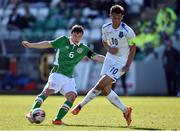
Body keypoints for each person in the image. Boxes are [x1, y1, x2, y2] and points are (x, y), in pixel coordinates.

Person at [22, 25, 104, 125]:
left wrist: (111, 61)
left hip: (69, 78)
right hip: (57, 74)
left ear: (82, 36)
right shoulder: (63, 40)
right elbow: (48, 44)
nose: (76, 38)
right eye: (74, 36)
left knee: (72, 97)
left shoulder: (83, 48)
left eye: (79, 36)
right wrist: (31, 45)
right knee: (47, 91)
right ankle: (32, 113)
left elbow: (97, 57)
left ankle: (57, 120)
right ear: (71, 34)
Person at [71, 5, 136, 126]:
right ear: (110, 16)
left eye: (118, 18)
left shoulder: (128, 31)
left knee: (100, 83)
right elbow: (104, 41)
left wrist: (128, 64)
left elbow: (133, 48)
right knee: (106, 90)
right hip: (110, 58)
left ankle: (80, 106)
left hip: (122, 61)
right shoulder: (105, 27)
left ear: (122, 17)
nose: (116, 20)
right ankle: (126, 110)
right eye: (114, 17)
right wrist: (109, 48)